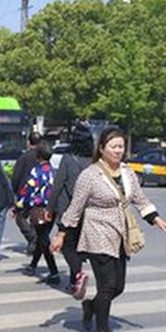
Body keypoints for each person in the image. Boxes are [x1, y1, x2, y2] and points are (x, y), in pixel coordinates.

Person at [51, 126, 166, 332]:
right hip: (97, 234)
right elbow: (75, 208)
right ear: (101, 148)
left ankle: (91, 306)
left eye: (121, 146)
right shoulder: (90, 175)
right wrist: (61, 234)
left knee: (118, 287)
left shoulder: (128, 173)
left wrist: (157, 220)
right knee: (107, 285)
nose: (118, 151)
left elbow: (140, 200)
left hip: (120, 234)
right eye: (113, 146)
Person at [49, 122, 94, 298]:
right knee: (81, 245)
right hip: (90, 211)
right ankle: (74, 281)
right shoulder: (95, 161)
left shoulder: (68, 159)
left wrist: (50, 208)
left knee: (68, 246)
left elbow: (57, 185)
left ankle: (77, 275)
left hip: (69, 210)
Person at [16, 141, 60, 285]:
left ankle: (54, 272)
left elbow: (28, 190)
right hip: (53, 209)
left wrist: (19, 205)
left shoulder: (36, 171)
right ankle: (33, 265)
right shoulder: (55, 171)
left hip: (39, 209)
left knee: (43, 239)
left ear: (38, 156)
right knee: (42, 237)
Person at [9, 133, 44, 254]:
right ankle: (34, 242)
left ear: (29, 142)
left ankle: (32, 238)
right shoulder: (44, 157)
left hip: (26, 192)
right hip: (41, 192)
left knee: (20, 218)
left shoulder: (23, 158)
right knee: (36, 218)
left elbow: (16, 176)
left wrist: (14, 191)